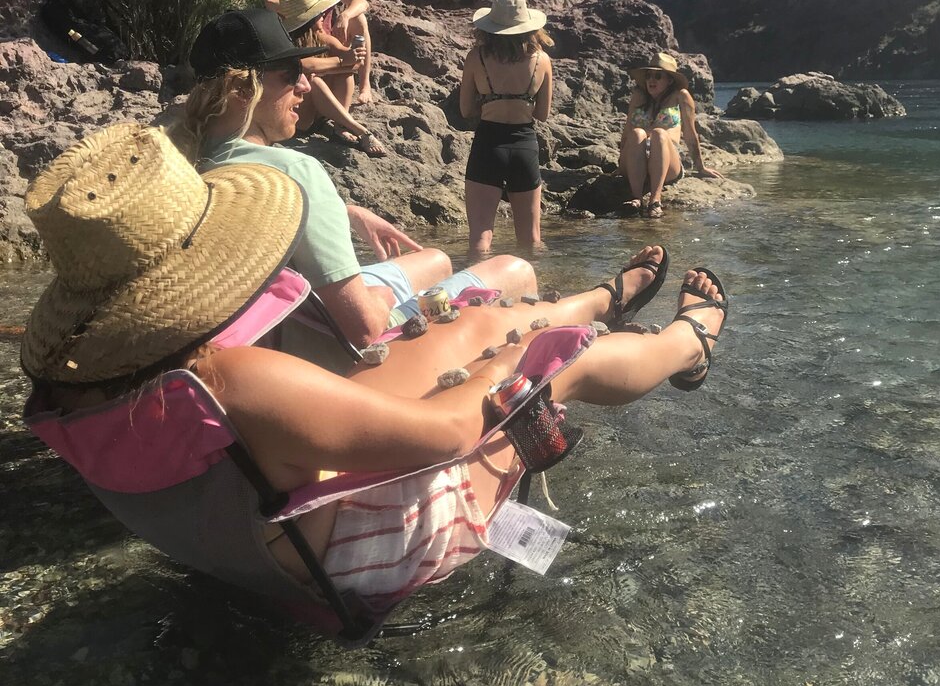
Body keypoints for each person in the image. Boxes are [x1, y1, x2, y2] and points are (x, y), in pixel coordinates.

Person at [20, 122, 729, 622]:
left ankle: (597, 300)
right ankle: (686, 341)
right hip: (370, 550)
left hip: (265, 538)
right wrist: (515, 357)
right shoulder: (234, 383)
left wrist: (485, 341)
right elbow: (453, 432)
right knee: (565, 361)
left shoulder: (83, 395)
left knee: (478, 327)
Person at [176, 8, 535, 353]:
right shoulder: (296, 173)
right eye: (289, 73)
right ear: (242, 90)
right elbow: (363, 329)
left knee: (437, 259)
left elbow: (251, 215)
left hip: (282, 328)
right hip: (346, 351)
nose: (305, 85)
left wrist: (341, 210)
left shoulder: (184, 161)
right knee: (515, 270)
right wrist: (383, 299)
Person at [460, 0, 554, 256]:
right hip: (524, 146)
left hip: (488, 145)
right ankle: (532, 293)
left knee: (480, 237)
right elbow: (542, 114)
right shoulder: (543, 61)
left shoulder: (476, 57)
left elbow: (466, 109)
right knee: (531, 239)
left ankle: (475, 293)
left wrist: (490, 100)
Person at [276, 0, 386, 157]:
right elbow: (304, 66)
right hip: (296, 119)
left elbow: (354, 64)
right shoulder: (285, 45)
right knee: (311, 80)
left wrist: (349, 58)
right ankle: (360, 130)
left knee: (345, 74)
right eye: (319, 14)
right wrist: (340, 61)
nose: (323, 17)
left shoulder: (323, 39)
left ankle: (340, 126)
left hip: (316, 115)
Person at [265, 0, 373, 106]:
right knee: (332, 67)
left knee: (358, 18)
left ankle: (365, 85)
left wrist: (344, 16)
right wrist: (297, 11)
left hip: (325, 39)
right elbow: (270, 1)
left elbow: (361, 2)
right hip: (300, 41)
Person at [619, 52, 722, 216]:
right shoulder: (638, 96)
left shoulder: (681, 96)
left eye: (658, 76)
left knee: (660, 133)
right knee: (637, 132)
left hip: (666, 159)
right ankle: (636, 198)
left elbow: (690, 133)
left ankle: (655, 200)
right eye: (649, 76)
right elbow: (627, 132)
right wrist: (621, 162)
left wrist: (700, 167)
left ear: (670, 80)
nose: (651, 80)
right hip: (635, 160)